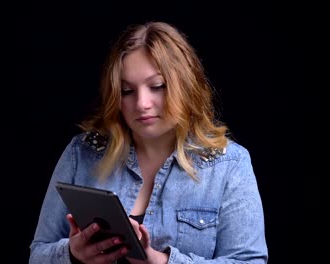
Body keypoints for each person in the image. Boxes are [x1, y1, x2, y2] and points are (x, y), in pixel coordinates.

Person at [29, 21, 268, 264]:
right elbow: (37, 255)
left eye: (157, 86)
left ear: (185, 86)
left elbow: (250, 261)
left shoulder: (229, 164)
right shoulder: (82, 153)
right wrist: (72, 254)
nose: (142, 103)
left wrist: (162, 261)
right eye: (127, 91)